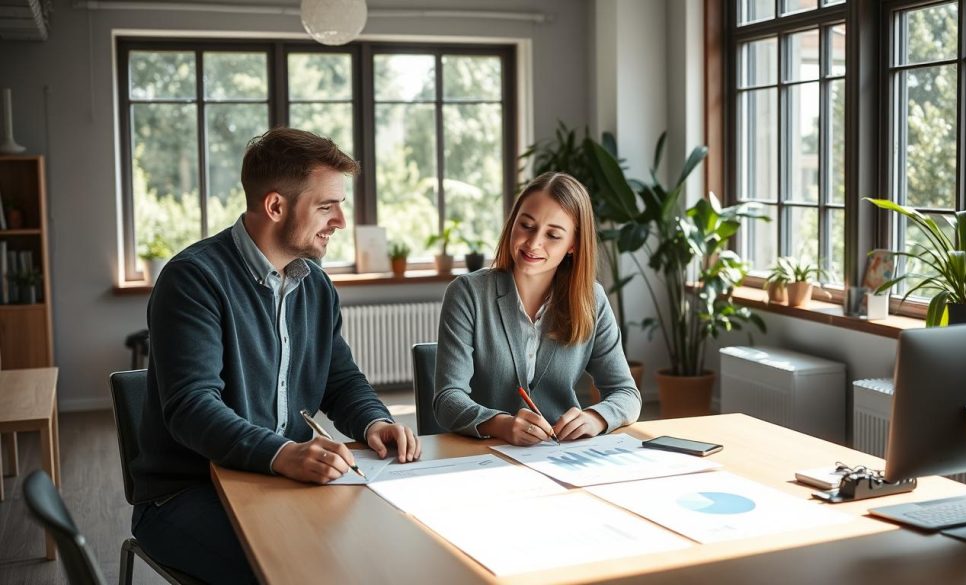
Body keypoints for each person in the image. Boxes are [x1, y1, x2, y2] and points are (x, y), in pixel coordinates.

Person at [131, 128, 421, 583]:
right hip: (187, 495)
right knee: (306, 571)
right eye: (327, 206)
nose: (341, 221)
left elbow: (340, 380)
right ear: (275, 206)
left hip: (275, 479)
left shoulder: (315, 284)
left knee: (383, 548)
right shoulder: (193, 280)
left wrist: (374, 422)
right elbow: (192, 408)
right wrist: (284, 453)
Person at [433, 172, 641, 445]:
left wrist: (595, 418)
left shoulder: (592, 300)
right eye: (526, 226)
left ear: (573, 245)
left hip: (563, 455)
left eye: (553, 235)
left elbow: (626, 393)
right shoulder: (467, 293)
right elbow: (447, 399)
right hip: (486, 455)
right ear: (512, 223)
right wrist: (503, 425)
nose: (533, 243)